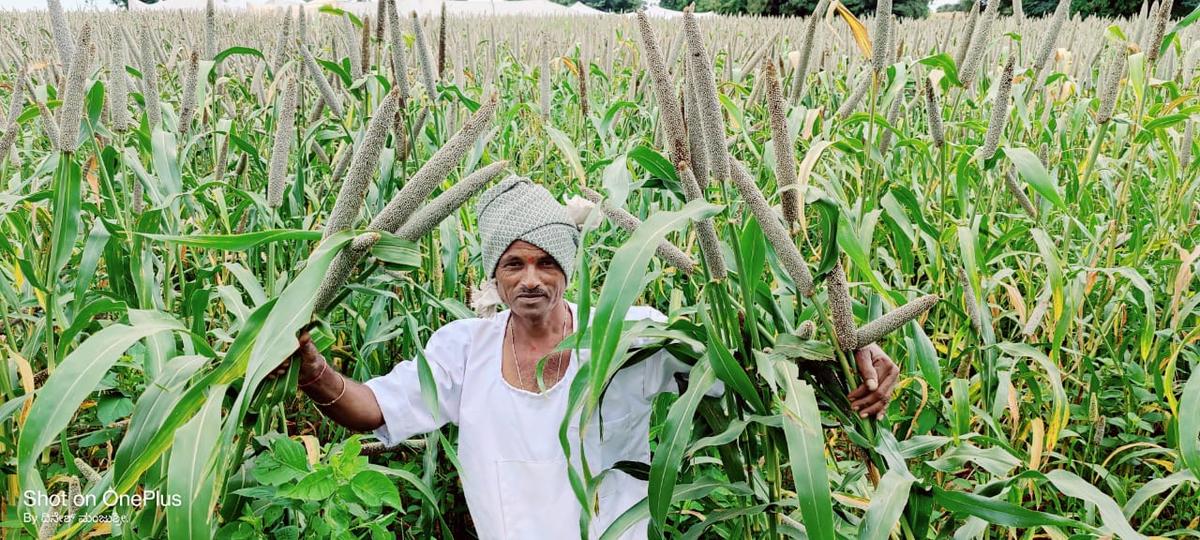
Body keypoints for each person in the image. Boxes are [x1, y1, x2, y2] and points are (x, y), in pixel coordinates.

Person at [276, 175, 900, 539]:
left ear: (568, 267)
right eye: (514, 264)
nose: (531, 279)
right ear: (492, 275)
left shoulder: (634, 337)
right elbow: (371, 409)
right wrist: (314, 371)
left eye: (547, 262)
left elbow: (757, 369)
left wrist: (842, 354)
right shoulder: (463, 351)